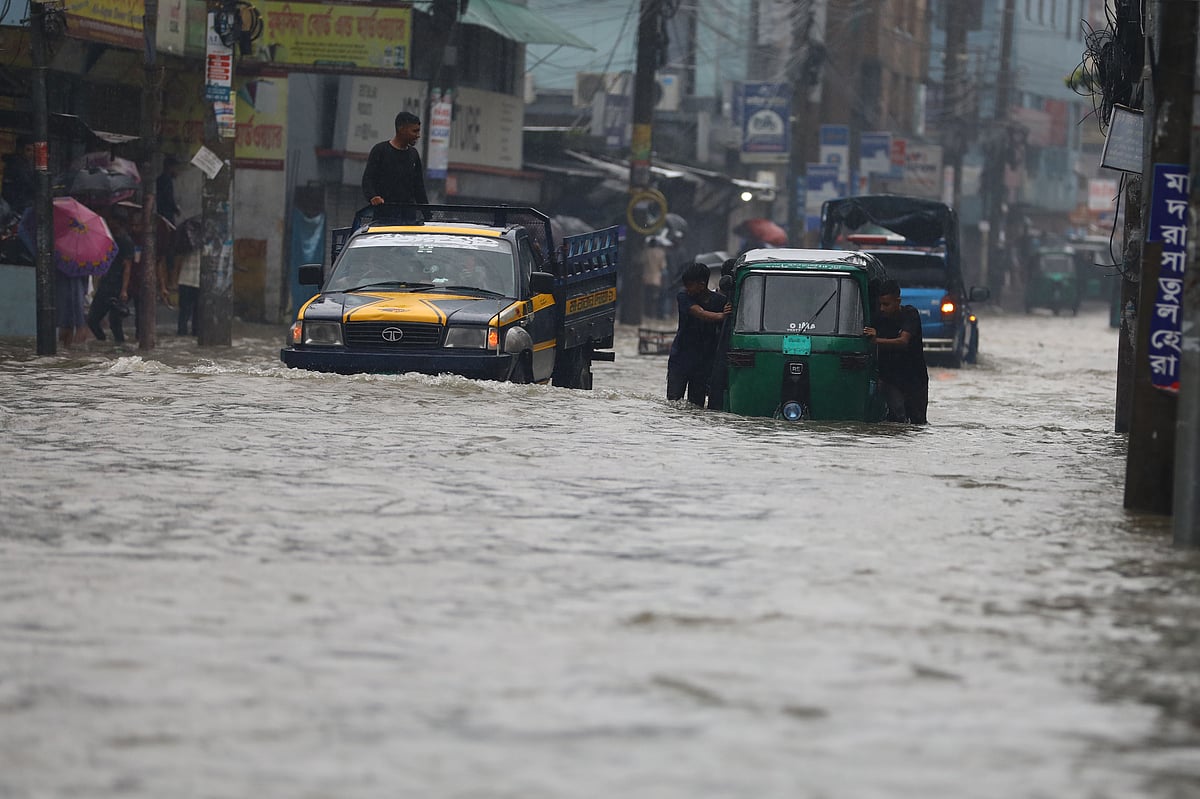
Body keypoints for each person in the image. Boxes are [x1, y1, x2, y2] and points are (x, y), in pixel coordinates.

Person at [864, 279, 929, 424]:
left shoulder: (910, 315)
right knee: (898, 419)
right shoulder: (878, 319)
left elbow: (903, 341)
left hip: (915, 379)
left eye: (886, 304)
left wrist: (876, 340)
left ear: (898, 301)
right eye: (880, 304)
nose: (882, 308)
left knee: (918, 422)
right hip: (891, 379)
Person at [667, 261, 730, 407]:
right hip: (680, 358)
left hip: (703, 361)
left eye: (690, 285)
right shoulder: (683, 297)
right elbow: (699, 313)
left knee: (696, 405)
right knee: (673, 402)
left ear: (701, 285)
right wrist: (722, 316)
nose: (687, 288)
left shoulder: (719, 301)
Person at [86, 208, 135, 345]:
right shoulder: (108, 238)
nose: (110, 222)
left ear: (119, 222)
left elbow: (127, 266)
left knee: (115, 322)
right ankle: (103, 341)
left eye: (113, 220)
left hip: (117, 286)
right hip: (105, 284)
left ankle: (120, 347)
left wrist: (124, 289)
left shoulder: (126, 241)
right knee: (92, 320)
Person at [361, 111, 429, 208]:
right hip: (384, 216)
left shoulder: (414, 154)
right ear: (401, 129)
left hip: (408, 217)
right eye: (414, 131)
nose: (418, 135)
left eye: (418, 131)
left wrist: (428, 216)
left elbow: (419, 189)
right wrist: (373, 197)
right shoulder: (380, 151)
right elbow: (368, 180)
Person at [1, 134, 36, 216]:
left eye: (33, 151)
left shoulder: (25, 164)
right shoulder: (16, 165)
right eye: (28, 150)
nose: (31, 153)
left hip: (20, 203)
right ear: (20, 150)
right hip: (16, 206)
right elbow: (27, 183)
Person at [638, 237, 666, 319]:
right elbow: (663, 266)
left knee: (646, 297)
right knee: (655, 298)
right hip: (656, 278)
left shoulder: (645, 252)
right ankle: (653, 314)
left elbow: (641, 262)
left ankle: (647, 314)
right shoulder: (661, 253)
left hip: (645, 278)